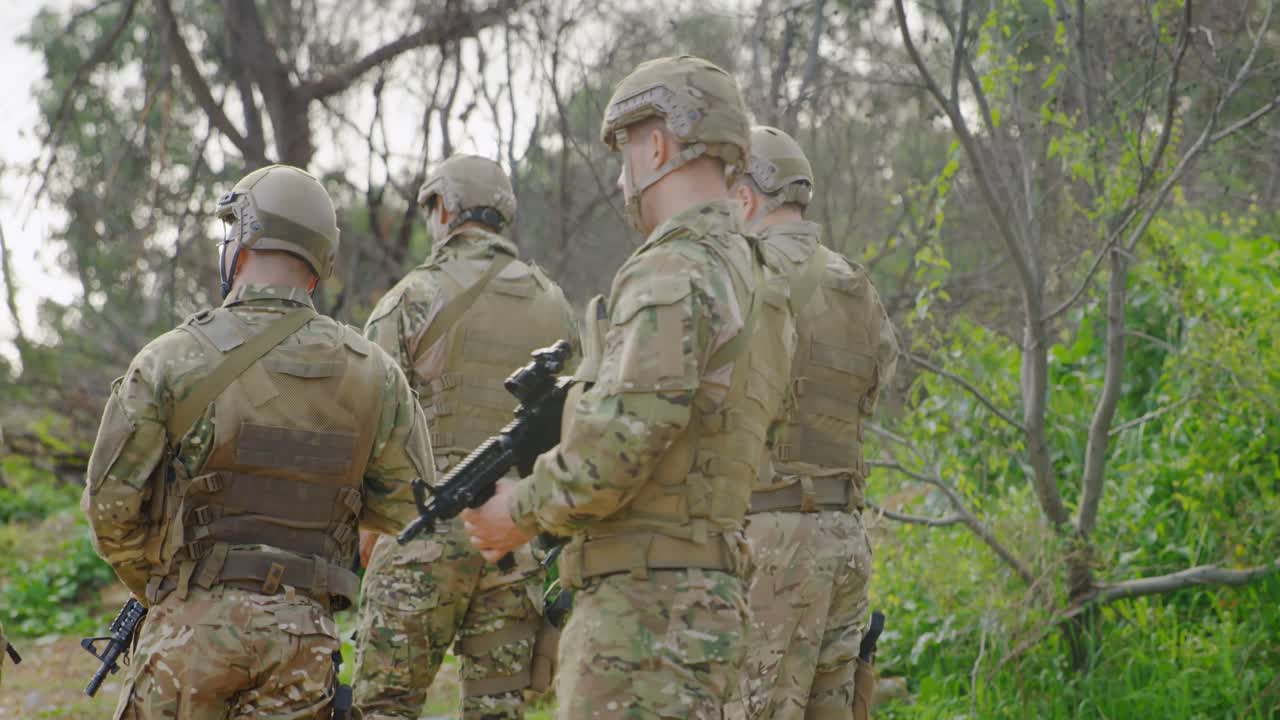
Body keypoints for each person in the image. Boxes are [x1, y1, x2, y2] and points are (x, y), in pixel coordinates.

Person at [461, 55, 794, 718]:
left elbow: (615, 450)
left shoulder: (672, 269)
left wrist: (515, 513)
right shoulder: (764, 284)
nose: (621, 179)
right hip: (706, 605)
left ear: (658, 145)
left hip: (644, 624)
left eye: (624, 157)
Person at [81, 164, 434, 720]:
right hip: (302, 643)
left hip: (186, 639)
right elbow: (409, 506)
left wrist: (165, 587)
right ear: (319, 263)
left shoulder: (170, 359)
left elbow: (110, 511)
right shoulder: (376, 375)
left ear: (241, 240)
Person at [352, 154, 578, 720]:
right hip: (514, 535)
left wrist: (367, 537)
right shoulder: (554, 302)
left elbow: (365, 426)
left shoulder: (409, 299)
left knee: (384, 707)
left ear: (444, 209)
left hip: (420, 525)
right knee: (497, 712)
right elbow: (579, 423)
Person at [731, 126, 899, 720]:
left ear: (747, 199)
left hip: (774, 539)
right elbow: (876, 385)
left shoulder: (748, 277)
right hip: (845, 537)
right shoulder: (857, 285)